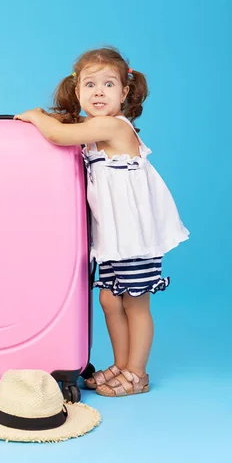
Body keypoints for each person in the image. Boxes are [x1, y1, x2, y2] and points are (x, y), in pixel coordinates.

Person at [14, 47, 189, 397]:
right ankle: (121, 364)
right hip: (113, 240)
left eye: (108, 84)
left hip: (135, 238)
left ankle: (137, 373)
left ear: (124, 93)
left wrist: (35, 115)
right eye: (90, 84)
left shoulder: (114, 127)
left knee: (135, 304)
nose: (98, 92)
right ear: (77, 91)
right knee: (110, 300)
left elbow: (58, 135)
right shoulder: (93, 131)